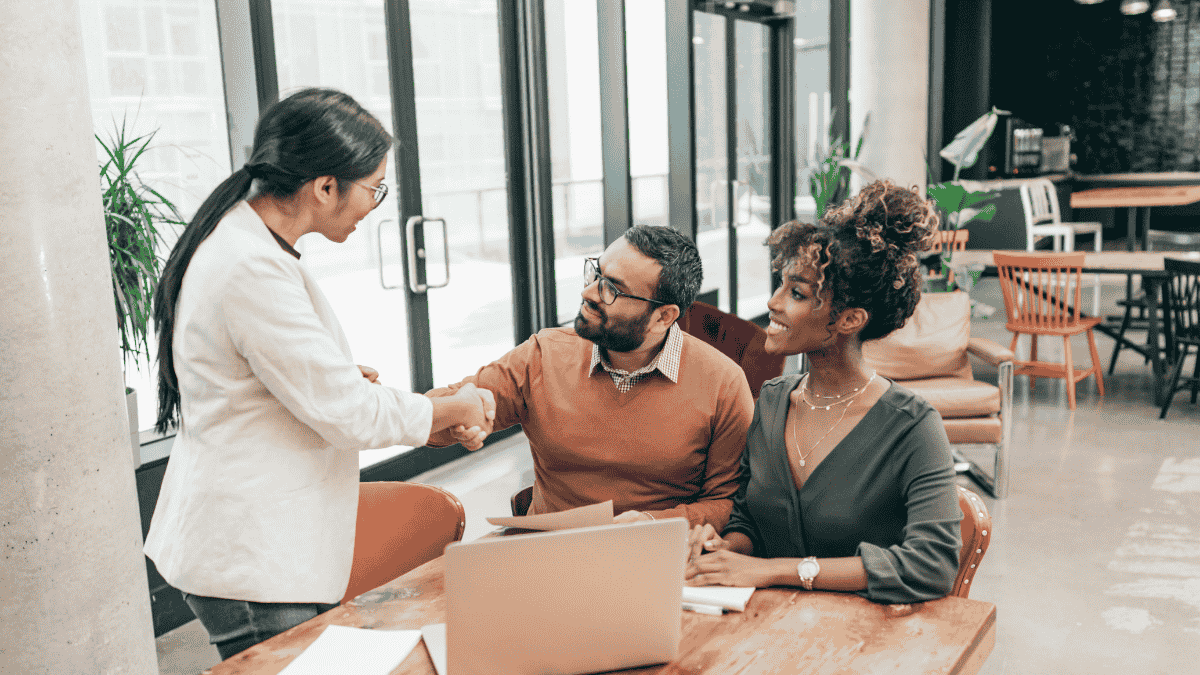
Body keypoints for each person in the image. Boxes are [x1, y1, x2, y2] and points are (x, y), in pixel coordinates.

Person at [143, 88, 495, 660]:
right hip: (253, 558)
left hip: (257, 542)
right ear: (326, 187)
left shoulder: (243, 241)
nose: (374, 204)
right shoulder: (251, 267)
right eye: (374, 188)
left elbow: (261, 377)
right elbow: (348, 412)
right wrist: (454, 408)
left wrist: (333, 378)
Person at [685, 180, 962, 604]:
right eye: (781, 285)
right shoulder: (772, 401)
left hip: (865, 632)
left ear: (849, 320)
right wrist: (726, 548)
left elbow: (932, 564)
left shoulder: (912, 426)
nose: (774, 302)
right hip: (770, 622)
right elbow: (749, 521)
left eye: (797, 293)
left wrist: (776, 571)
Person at [426, 225, 755, 528]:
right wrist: (458, 412)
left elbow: (730, 503)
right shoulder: (543, 356)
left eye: (612, 289)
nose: (588, 292)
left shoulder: (723, 384)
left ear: (663, 317)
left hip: (655, 554)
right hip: (548, 551)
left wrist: (655, 523)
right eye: (596, 273)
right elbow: (428, 420)